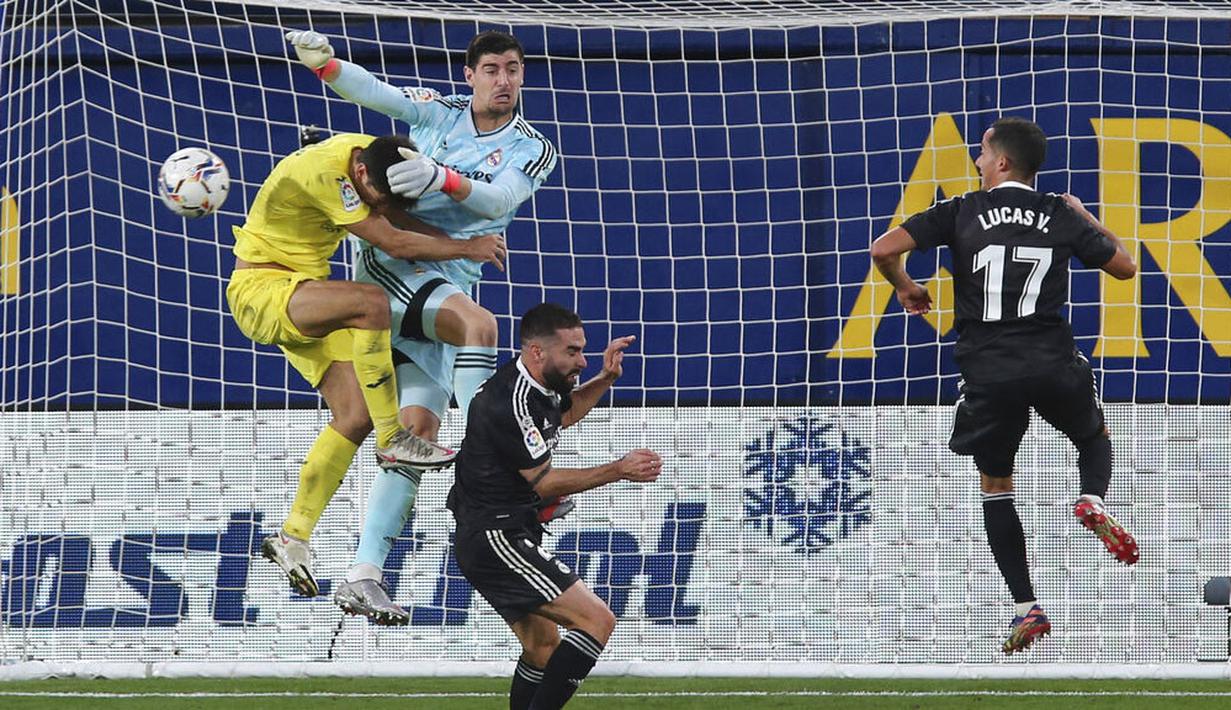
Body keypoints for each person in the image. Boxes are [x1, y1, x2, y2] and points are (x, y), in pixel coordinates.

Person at [284, 29, 560, 622]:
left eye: (513, 69)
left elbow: (495, 200)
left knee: (414, 439)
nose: (504, 80)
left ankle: (363, 573)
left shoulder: (533, 147)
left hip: (444, 279)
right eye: (491, 69)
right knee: (479, 327)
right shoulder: (438, 113)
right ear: (470, 75)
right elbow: (378, 94)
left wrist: (440, 179)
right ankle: (508, 460)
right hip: (390, 267)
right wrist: (327, 66)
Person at [869, 116, 1140, 654]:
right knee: (1093, 435)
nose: (976, 159)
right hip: (1052, 362)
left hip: (988, 372)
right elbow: (1127, 267)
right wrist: (1090, 219)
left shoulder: (961, 210)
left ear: (1002, 162)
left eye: (982, 151)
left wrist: (905, 286)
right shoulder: (1059, 214)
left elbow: (881, 249)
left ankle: (1026, 606)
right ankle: (1091, 497)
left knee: (996, 485)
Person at [226, 132, 503, 597]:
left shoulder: (374, 157)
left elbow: (392, 214)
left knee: (353, 417)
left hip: (302, 293)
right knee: (372, 302)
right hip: (263, 293)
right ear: (359, 175)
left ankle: (292, 535)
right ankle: (394, 438)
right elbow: (393, 240)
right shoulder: (327, 175)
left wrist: (461, 239)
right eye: (371, 197)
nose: (376, 204)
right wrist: (466, 248)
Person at [447, 303, 660, 710]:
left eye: (582, 350)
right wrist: (618, 469)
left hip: (500, 530)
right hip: (495, 536)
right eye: (573, 351)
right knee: (597, 620)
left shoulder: (541, 384)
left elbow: (564, 415)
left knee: (543, 647)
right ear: (537, 351)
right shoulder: (507, 400)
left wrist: (605, 378)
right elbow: (542, 481)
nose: (581, 360)